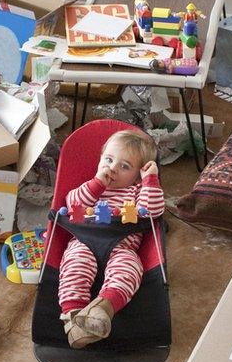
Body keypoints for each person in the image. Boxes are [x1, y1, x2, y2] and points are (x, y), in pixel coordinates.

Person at [59, 130, 164, 348]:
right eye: (108, 159)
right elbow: (73, 203)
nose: (113, 168)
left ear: (137, 175)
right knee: (74, 265)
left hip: (121, 245)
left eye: (124, 166)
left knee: (130, 268)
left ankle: (103, 308)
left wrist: (150, 180)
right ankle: (74, 318)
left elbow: (152, 210)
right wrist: (97, 184)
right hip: (85, 240)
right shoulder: (92, 187)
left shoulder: (137, 192)